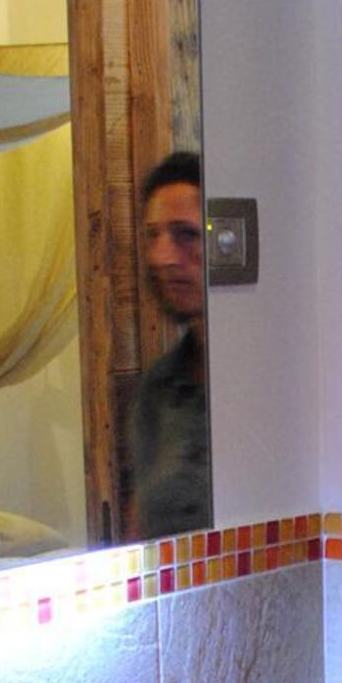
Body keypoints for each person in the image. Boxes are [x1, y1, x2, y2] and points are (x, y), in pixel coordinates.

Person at [129, 149, 212, 538]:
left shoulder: (278, 376)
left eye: (186, 235)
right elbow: (139, 528)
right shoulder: (156, 390)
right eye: (153, 236)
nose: (163, 257)